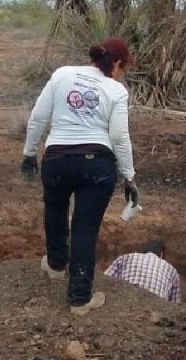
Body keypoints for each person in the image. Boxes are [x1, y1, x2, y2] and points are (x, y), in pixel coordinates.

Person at [21, 38, 139, 317]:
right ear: (117, 64)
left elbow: (38, 117)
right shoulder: (116, 90)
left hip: (56, 159)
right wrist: (129, 177)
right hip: (96, 165)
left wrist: (28, 153)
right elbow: (119, 137)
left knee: (55, 208)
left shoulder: (62, 74)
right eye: (124, 68)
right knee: (85, 228)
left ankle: (56, 265)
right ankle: (79, 299)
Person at [104, 239, 181, 303]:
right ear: (161, 254)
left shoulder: (126, 258)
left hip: (124, 304)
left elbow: (105, 280)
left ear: (141, 251)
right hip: (156, 313)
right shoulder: (172, 271)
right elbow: (176, 306)